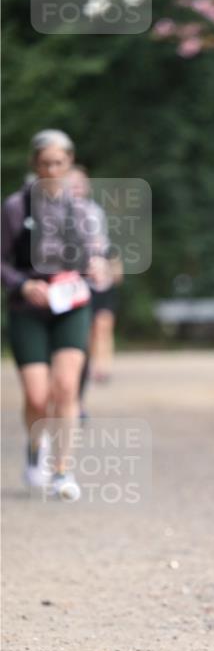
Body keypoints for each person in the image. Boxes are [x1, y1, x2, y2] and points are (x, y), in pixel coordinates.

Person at [1, 130, 110, 500]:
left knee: (65, 388)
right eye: (45, 163)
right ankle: (35, 449)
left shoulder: (81, 209)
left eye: (58, 163)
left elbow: (97, 255)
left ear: (69, 164)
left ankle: (62, 471)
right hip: (28, 308)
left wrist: (96, 267)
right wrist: (22, 285)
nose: (51, 169)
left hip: (71, 306)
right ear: (35, 164)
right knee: (36, 396)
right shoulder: (16, 207)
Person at [67, 166, 122, 403]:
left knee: (105, 321)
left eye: (81, 182)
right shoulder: (58, 212)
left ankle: (103, 367)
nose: (77, 187)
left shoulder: (95, 211)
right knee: (87, 326)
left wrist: (114, 265)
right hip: (76, 278)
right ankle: (84, 367)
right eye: (73, 183)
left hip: (100, 276)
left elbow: (104, 244)